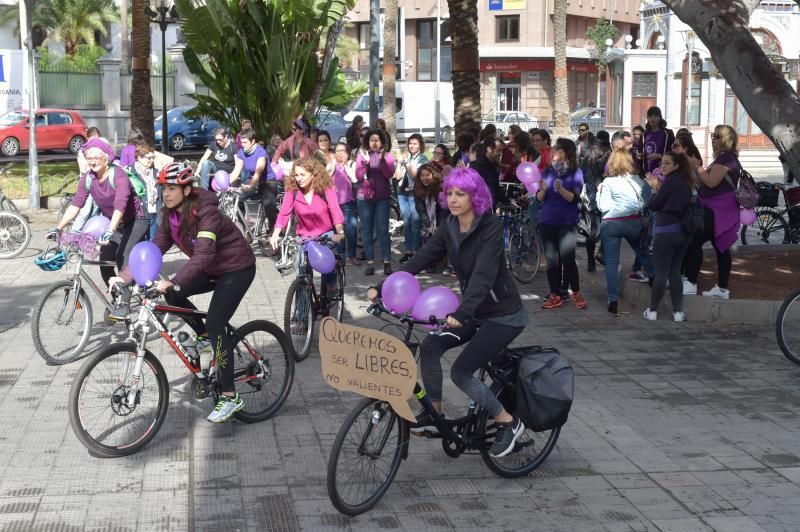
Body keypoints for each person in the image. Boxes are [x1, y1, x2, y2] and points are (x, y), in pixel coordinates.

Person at [368, 167, 529, 458]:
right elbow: (422, 258)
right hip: (472, 311)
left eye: (461, 194)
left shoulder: (490, 227)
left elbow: (483, 275)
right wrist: (384, 286)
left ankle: (508, 421)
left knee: (462, 371)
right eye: (450, 193)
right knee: (430, 346)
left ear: (475, 196)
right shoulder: (451, 227)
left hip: (503, 315)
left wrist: (464, 311)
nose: (453, 199)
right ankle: (434, 411)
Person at [110, 162, 256, 423]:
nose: (166, 193)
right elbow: (155, 248)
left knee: (216, 324)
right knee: (174, 296)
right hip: (211, 269)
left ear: (187, 189)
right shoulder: (170, 215)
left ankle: (230, 396)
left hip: (236, 268)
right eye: (163, 188)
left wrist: (173, 279)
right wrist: (123, 277)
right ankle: (202, 336)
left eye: (172, 188)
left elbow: (202, 255)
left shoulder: (206, 213)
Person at [50, 138, 148, 286]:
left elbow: (119, 206)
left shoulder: (118, 175)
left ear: (106, 158)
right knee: (105, 263)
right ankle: (117, 298)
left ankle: (126, 302)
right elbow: (76, 204)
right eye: (89, 158)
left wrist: (109, 231)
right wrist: (58, 228)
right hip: (115, 224)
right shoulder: (88, 179)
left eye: (96, 158)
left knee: (123, 257)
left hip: (136, 219)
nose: (92, 162)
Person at [269, 158, 345, 318]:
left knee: (327, 264)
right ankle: (302, 317)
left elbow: (334, 210)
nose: (299, 178)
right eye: (296, 175)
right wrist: (276, 234)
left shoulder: (325, 188)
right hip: (304, 236)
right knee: (303, 275)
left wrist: (340, 232)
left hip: (326, 234)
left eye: (303, 174)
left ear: (313, 174)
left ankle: (331, 283)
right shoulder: (293, 190)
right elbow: (284, 212)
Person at [683, 125, 741, 299]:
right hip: (718, 209)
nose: (713, 138)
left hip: (717, 211)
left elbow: (711, 182)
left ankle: (691, 283)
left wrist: (697, 166)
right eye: (712, 135)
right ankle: (722, 289)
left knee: (694, 241)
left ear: (725, 139)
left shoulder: (726, 158)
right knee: (721, 247)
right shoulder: (725, 158)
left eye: (717, 136)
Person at [642, 152, 693, 321]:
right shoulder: (685, 183)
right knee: (675, 272)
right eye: (662, 163)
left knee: (661, 272)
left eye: (667, 163)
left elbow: (654, 204)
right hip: (683, 233)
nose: (663, 166)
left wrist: (654, 189)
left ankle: (653, 310)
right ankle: (678, 312)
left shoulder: (669, 183)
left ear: (676, 165)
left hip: (666, 232)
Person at [536, 138, 586, 310]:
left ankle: (576, 292)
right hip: (547, 220)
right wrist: (543, 189)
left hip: (567, 222)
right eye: (554, 149)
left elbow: (573, 198)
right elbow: (538, 198)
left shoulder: (576, 172)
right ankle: (555, 294)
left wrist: (560, 188)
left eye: (557, 149)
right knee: (552, 261)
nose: (553, 152)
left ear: (566, 152)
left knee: (568, 259)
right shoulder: (548, 171)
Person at [597, 149, 646, 315]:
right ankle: (655, 278)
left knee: (611, 263)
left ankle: (613, 299)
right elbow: (646, 201)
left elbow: (603, 207)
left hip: (611, 223)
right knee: (643, 253)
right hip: (633, 222)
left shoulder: (608, 183)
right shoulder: (639, 180)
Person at [355, 129, 396, 276]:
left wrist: (383, 160)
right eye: (371, 140)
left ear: (382, 142)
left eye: (377, 140)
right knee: (366, 230)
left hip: (382, 198)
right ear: (367, 142)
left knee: (383, 230)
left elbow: (389, 174)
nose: (374, 143)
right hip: (364, 198)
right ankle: (370, 263)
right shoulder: (361, 156)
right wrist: (365, 163)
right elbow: (358, 176)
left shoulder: (388, 156)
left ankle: (386, 262)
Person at [229, 128, 278, 246]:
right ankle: (246, 229)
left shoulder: (260, 152)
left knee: (268, 204)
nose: (242, 145)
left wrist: (250, 185)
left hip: (268, 181)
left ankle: (274, 227)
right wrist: (227, 184)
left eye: (245, 142)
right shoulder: (241, 153)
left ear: (253, 141)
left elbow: (258, 171)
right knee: (237, 199)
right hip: (253, 181)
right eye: (242, 142)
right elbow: (236, 171)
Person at [395, 133, 428, 264]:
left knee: (415, 222)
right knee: (407, 222)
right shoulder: (405, 157)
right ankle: (408, 251)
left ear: (420, 145)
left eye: (415, 143)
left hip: (415, 194)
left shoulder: (423, 159)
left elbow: (415, 176)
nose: (411, 146)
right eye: (410, 143)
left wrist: (407, 163)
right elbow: (397, 177)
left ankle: (416, 251)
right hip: (402, 193)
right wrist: (399, 163)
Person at [582, 133, 612, 272]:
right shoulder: (608, 153)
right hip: (604, 196)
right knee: (608, 227)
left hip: (590, 197)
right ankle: (601, 253)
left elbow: (582, 173)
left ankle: (590, 262)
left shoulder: (588, 153)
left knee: (592, 231)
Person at [330, 142, 360, 265]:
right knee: (338, 231)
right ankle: (341, 256)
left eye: (342, 150)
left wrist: (346, 168)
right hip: (334, 204)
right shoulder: (332, 165)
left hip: (348, 202)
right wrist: (331, 167)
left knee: (351, 229)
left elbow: (355, 180)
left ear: (348, 152)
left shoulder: (352, 164)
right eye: (337, 151)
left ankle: (352, 255)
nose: (340, 153)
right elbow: (325, 179)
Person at [131, 144, 161, 240]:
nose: (152, 160)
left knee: (152, 242)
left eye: (153, 157)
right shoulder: (131, 173)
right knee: (137, 242)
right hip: (139, 214)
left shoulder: (157, 172)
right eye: (149, 158)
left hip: (154, 212)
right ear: (139, 158)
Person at [468, 139, 501, 209]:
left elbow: (496, 188)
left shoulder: (495, 166)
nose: (500, 153)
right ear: (489, 149)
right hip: (479, 207)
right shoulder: (476, 166)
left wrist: (508, 202)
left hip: (491, 207)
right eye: (498, 150)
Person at [642, 106, 675, 175]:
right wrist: (641, 156)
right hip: (646, 174)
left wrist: (660, 156)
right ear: (647, 118)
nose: (653, 119)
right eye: (650, 116)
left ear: (660, 118)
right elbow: (640, 153)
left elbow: (673, 153)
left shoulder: (668, 134)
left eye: (655, 116)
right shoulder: (643, 135)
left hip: (663, 173)